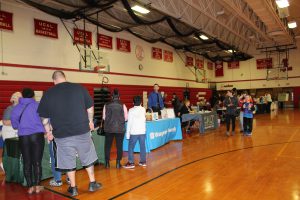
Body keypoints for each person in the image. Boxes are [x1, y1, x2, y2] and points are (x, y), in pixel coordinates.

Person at [37, 71, 101, 197]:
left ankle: (73, 188)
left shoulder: (48, 93)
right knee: (87, 156)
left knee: (68, 160)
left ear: (54, 81)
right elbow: (90, 108)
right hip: (82, 130)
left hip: (62, 134)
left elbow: (44, 118)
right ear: (65, 78)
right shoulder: (79, 88)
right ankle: (93, 183)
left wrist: (48, 132)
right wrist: (90, 122)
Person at [10, 88, 45, 194]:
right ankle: (38, 186)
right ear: (33, 96)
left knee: (27, 161)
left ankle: (30, 187)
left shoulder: (16, 108)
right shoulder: (38, 105)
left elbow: (15, 125)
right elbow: (45, 119)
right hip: (37, 136)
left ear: (22, 96)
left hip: (23, 137)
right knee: (37, 161)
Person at [103, 89, 128, 169]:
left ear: (111, 97)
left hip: (108, 128)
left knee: (107, 146)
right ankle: (118, 163)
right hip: (120, 129)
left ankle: (107, 163)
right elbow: (126, 118)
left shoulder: (106, 105)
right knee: (119, 146)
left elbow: (104, 118)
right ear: (119, 97)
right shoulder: (122, 105)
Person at [123, 96, 146, 169]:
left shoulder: (131, 110)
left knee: (130, 147)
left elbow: (129, 123)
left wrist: (127, 134)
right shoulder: (143, 109)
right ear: (141, 103)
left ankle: (131, 162)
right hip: (142, 131)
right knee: (142, 147)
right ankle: (143, 161)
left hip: (134, 132)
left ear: (133, 102)